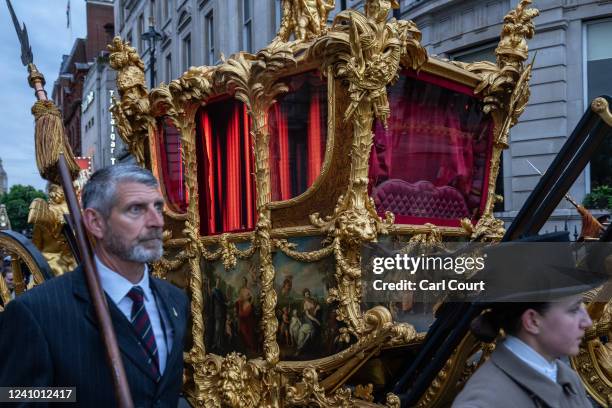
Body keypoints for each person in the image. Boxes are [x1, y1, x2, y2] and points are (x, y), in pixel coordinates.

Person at [0, 165, 189, 408]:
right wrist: (74, 394)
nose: (156, 221)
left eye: (158, 207)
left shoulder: (175, 300)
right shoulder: (35, 313)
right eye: (136, 209)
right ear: (95, 222)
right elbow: (13, 396)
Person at [452, 232, 609, 408]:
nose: (587, 322)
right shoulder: (484, 402)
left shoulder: (564, 376)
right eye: (573, 310)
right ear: (532, 321)